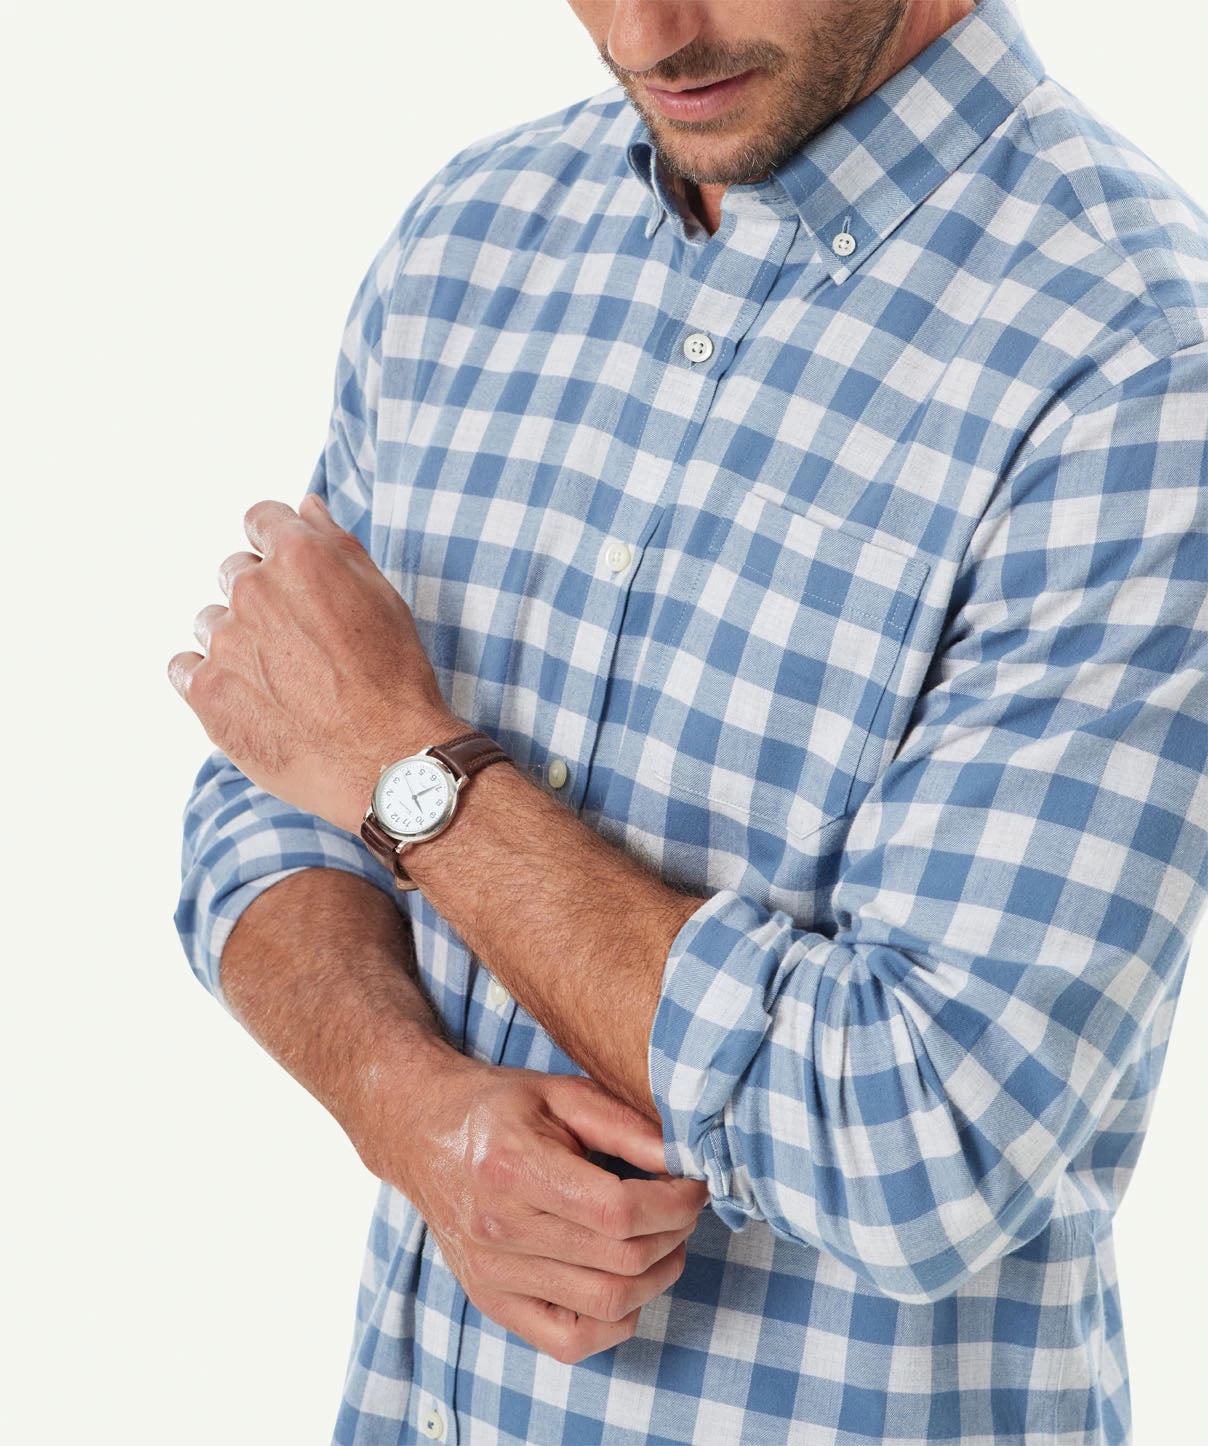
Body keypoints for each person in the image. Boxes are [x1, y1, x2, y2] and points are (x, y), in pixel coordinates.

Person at [169, 0, 1208, 1441]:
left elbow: (923, 1136)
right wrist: (407, 1107)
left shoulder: (1140, 368)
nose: (648, 31)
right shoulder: (472, 243)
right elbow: (273, 782)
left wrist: (418, 778)